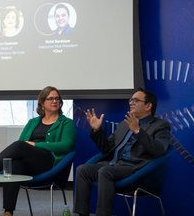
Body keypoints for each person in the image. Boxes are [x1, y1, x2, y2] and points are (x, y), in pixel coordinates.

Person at [0, 86, 76, 216]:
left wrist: (36, 144)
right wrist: (29, 146)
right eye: (50, 98)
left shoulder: (66, 123)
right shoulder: (33, 122)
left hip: (49, 162)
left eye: (57, 98)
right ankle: (8, 212)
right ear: (42, 102)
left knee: (19, 146)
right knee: (14, 164)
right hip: (31, 163)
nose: (54, 101)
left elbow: (66, 146)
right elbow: (22, 145)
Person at [73, 88, 172, 216]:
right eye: (131, 100)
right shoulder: (124, 125)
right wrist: (97, 131)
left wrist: (138, 131)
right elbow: (106, 148)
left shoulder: (161, 126)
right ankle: (81, 213)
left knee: (105, 171)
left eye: (136, 100)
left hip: (136, 169)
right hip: (115, 165)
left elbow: (159, 150)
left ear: (148, 106)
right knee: (82, 170)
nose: (131, 102)